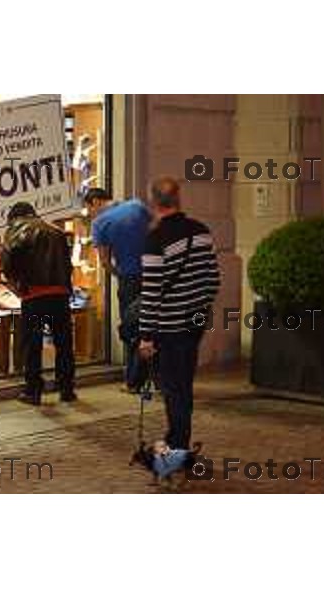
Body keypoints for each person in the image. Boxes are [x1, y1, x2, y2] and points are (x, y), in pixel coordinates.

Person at [138, 177, 220, 450]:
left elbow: (151, 293)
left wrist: (146, 336)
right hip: (194, 321)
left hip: (168, 327)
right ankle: (178, 437)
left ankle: (178, 443)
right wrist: (199, 308)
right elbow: (213, 280)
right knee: (184, 382)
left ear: (153, 202)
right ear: (178, 198)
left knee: (173, 388)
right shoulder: (201, 232)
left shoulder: (155, 239)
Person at [2, 202, 77, 404]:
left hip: (33, 295)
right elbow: (67, 265)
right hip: (59, 294)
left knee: (32, 345)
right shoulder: (57, 232)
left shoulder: (16, 230)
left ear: (14, 217)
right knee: (64, 344)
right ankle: (67, 389)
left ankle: (33, 391)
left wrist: (15, 285)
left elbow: (9, 262)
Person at [84, 188, 152, 391]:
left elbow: (104, 262)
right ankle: (156, 378)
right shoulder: (137, 206)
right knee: (152, 325)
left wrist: (119, 273)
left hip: (129, 279)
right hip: (153, 275)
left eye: (89, 209)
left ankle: (133, 381)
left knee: (131, 328)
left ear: (95, 202)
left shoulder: (100, 223)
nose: (91, 214)